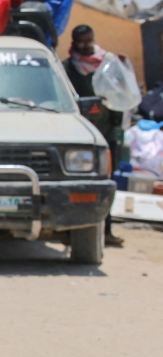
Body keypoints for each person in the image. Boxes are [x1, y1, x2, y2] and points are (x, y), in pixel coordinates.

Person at [62, 24, 124, 246]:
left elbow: (120, 94)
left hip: (105, 133)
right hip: (79, 136)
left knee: (106, 180)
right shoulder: (68, 69)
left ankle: (105, 229)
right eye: (82, 41)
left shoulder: (107, 64)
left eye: (90, 40)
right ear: (74, 43)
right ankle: (73, 231)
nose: (87, 45)